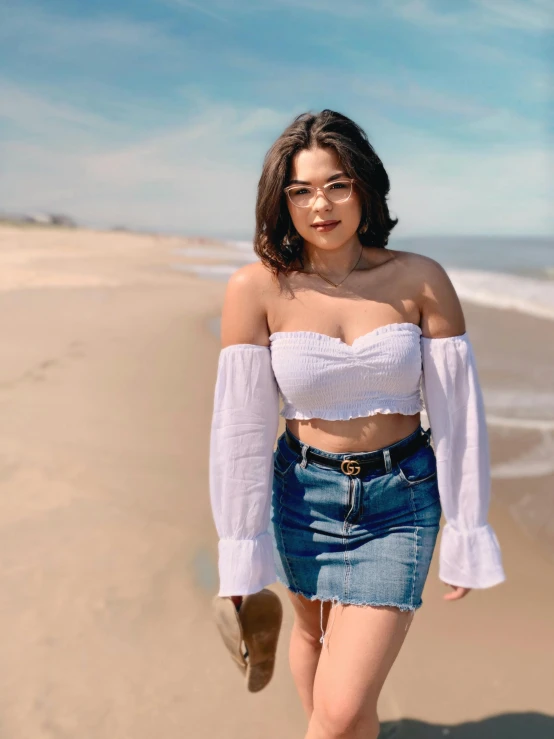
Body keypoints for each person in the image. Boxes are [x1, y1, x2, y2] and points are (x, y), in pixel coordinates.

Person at [209, 109, 505, 739]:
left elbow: (457, 412)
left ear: (364, 187)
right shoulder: (255, 288)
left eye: (336, 184)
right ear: (280, 201)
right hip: (303, 496)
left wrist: (467, 527)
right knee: (313, 636)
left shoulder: (420, 279)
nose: (321, 204)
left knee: (340, 712)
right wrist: (239, 554)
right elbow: (240, 430)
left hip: (399, 500)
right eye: (300, 190)